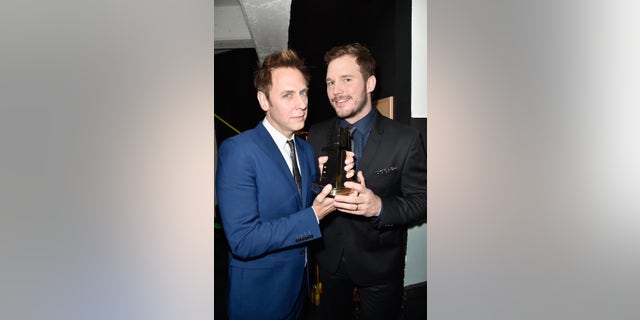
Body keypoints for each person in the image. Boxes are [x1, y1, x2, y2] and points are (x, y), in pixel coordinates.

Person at [216, 48, 353, 320]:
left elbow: (298, 199)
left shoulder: (304, 149)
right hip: (260, 300)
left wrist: (331, 180)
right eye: (288, 95)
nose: (301, 103)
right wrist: (314, 215)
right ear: (263, 100)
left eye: (303, 93)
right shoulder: (238, 151)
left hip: (298, 290)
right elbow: (243, 240)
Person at [307, 43, 427, 320]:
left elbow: (422, 199)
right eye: (330, 82)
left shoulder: (405, 139)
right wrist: (317, 181)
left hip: (381, 267)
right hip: (329, 261)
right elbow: (304, 197)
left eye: (347, 80)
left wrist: (378, 207)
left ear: (370, 82)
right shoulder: (316, 133)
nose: (336, 90)